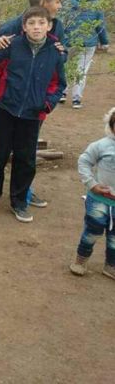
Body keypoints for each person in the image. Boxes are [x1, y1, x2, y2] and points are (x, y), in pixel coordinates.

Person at [0, 0, 67, 206]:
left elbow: (58, 62)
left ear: (47, 25)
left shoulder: (58, 26)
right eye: (58, 2)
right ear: (44, 3)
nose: (60, 6)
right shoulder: (11, 28)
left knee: (26, 154)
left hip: (36, 105)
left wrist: (46, 103)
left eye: (42, 24)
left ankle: (21, 196)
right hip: (9, 102)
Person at [69, 107, 115, 279]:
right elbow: (84, 161)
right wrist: (92, 184)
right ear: (111, 126)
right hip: (99, 199)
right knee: (93, 230)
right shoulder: (101, 146)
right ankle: (81, 259)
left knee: (114, 239)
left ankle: (110, 265)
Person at [62, 0, 109, 109]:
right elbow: (100, 26)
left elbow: (62, 22)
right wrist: (104, 42)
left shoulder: (67, 3)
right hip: (88, 43)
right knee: (81, 70)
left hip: (68, 41)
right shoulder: (96, 5)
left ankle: (62, 92)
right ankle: (76, 99)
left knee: (65, 66)